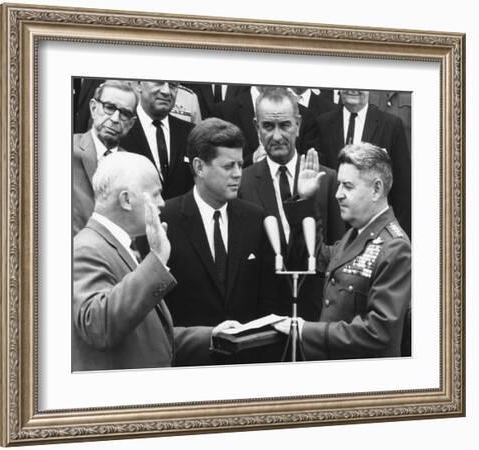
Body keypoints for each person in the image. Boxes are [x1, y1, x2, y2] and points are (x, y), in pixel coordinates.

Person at [72, 152, 238, 371]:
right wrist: (158, 258)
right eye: (156, 194)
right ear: (126, 200)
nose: (161, 203)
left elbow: (148, 336)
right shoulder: (87, 248)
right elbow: (98, 326)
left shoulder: (117, 245)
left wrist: (211, 335)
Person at [277, 143, 411, 360]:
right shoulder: (356, 235)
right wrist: (304, 200)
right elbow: (314, 259)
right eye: (339, 185)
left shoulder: (394, 247)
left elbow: (378, 332)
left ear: (376, 189)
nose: (338, 194)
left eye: (347, 186)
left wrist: (305, 330)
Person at [161, 118, 280, 328]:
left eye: (240, 165)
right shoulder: (166, 220)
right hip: (188, 355)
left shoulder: (255, 218)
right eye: (228, 166)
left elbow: (269, 297)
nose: (237, 174)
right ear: (199, 167)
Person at [239, 87, 345, 320]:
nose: (276, 136)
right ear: (256, 127)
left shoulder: (327, 180)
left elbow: (338, 253)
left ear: (298, 123)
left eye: (284, 125)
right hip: (264, 314)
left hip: (316, 312)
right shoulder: (242, 183)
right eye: (268, 126)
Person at [307, 89, 411, 238]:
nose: (352, 89)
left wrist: (393, 235)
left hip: (376, 233)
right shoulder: (322, 123)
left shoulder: (390, 124)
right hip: (333, 233)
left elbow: (403, 190)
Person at [72, 79, 138, 236]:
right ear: (94, 108)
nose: (115, 118)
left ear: (131, 123)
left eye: (125, 114)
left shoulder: (133, 168)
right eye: (109, 108)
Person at [120, 80, 194, 200]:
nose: (166, 91)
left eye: (173, 85)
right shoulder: (121, 129)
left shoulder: (190, 133)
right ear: (139, 84)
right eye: (158, 82)